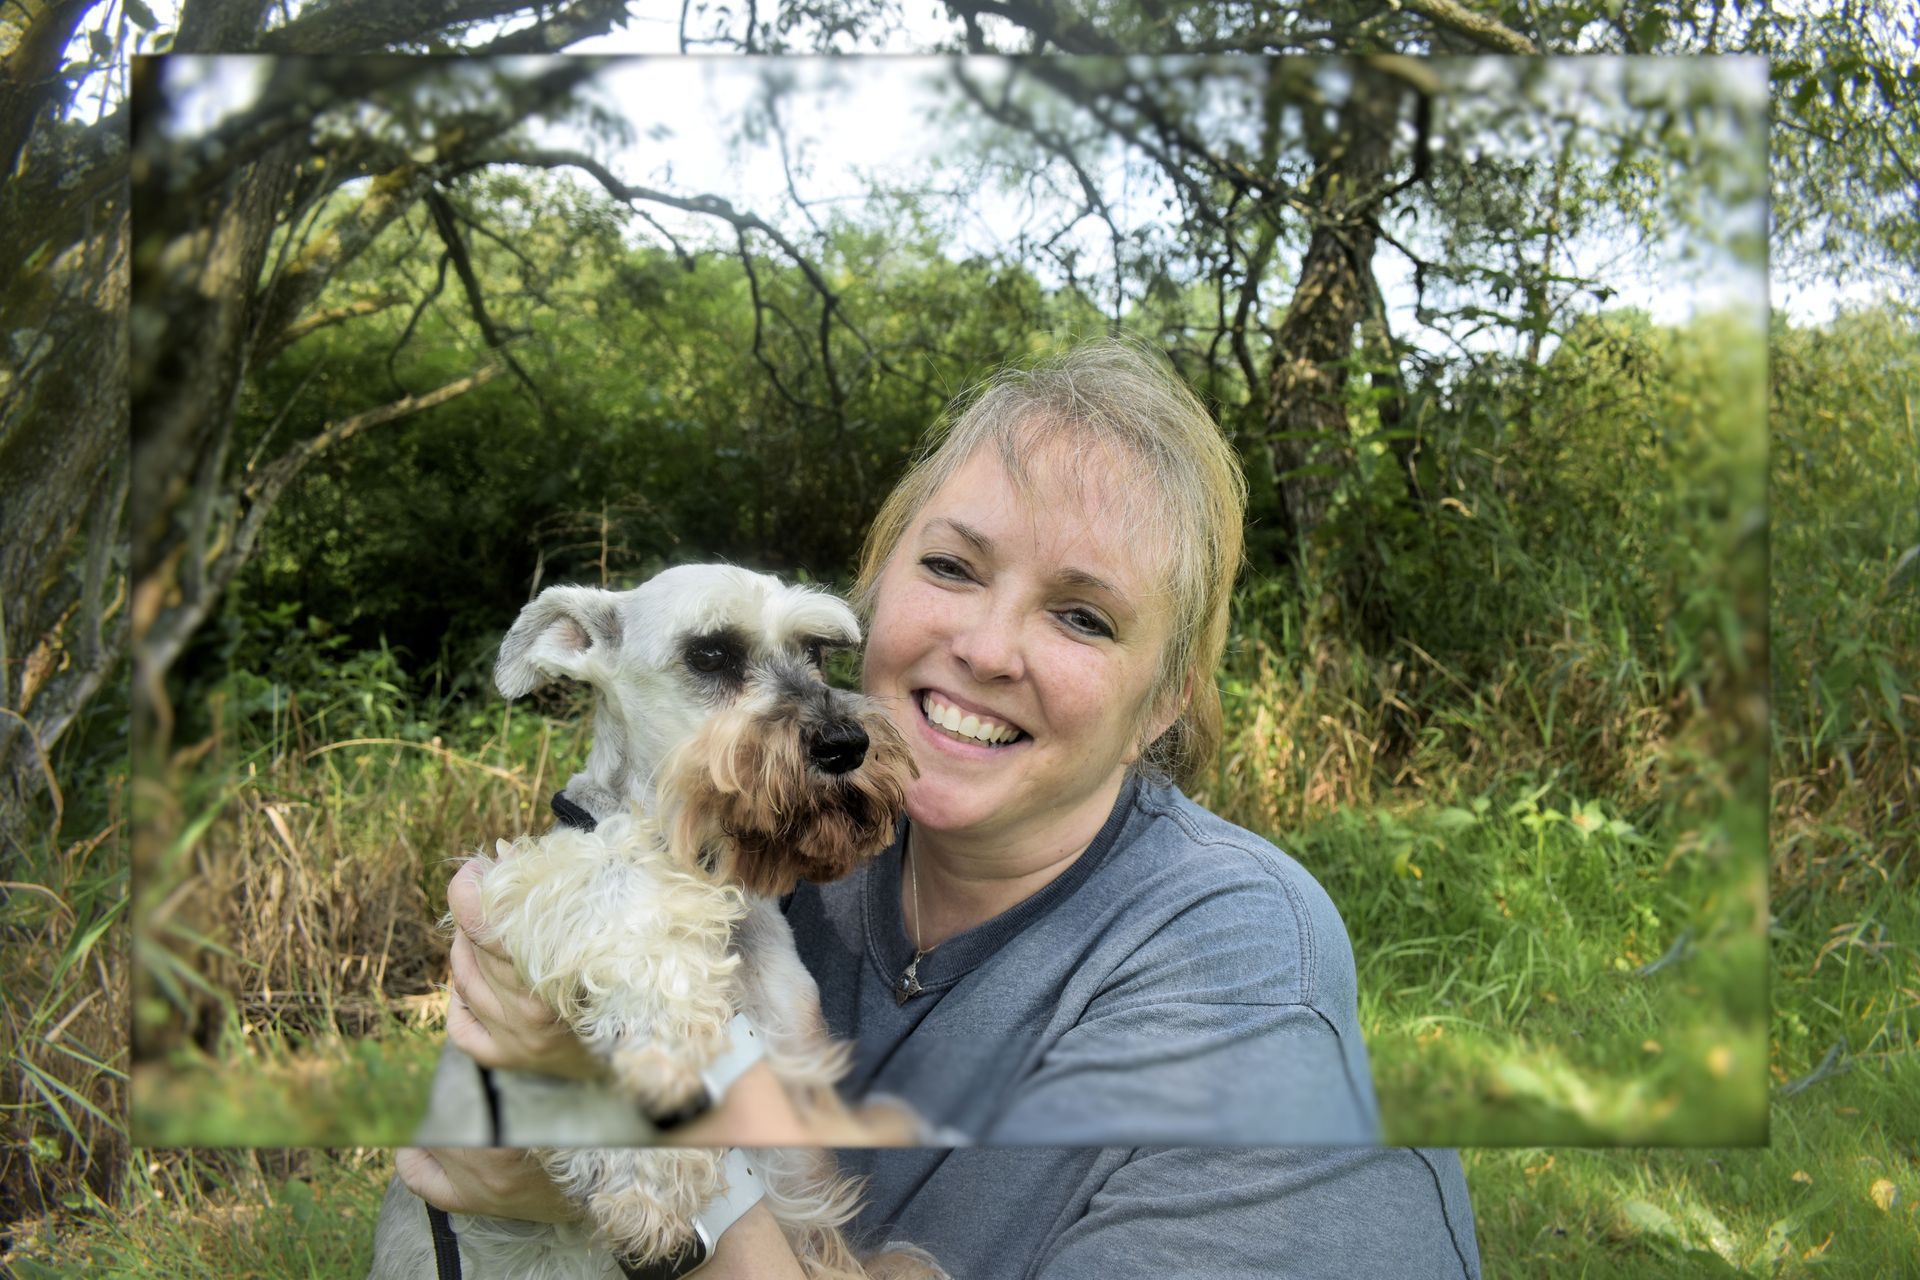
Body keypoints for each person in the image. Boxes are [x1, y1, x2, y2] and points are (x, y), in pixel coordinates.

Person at [398, 340, 1482, 1277]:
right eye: (954, 566)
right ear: (877, 583)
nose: (987, 646)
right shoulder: (792, 844)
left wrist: (656, 1188)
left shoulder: (1230, 964)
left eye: (1083, 617)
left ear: (1164, 704)